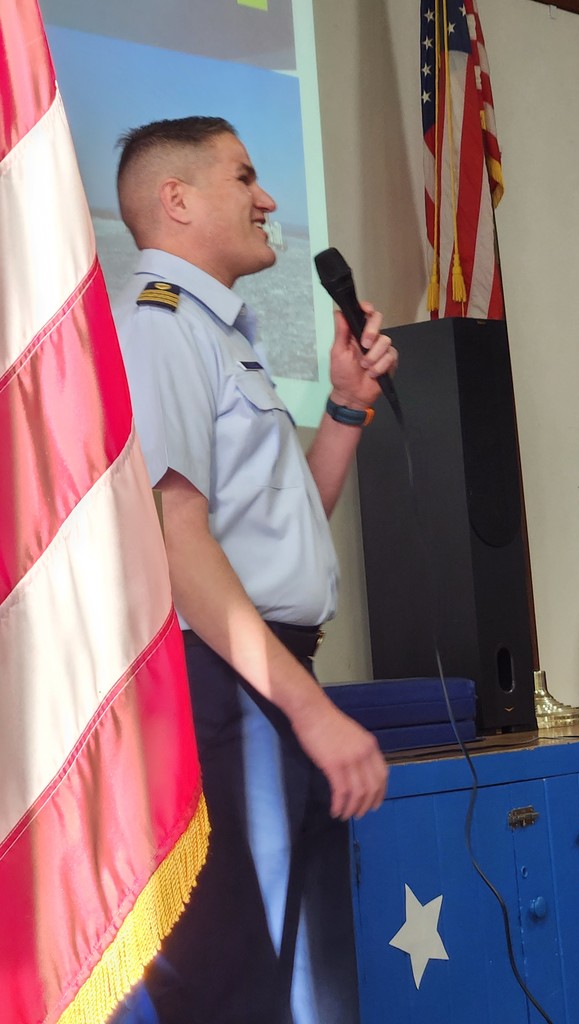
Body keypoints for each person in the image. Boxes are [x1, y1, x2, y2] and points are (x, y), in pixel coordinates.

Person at [111, 116, 396, 1024]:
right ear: (177, 200)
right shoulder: (160, 326)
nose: (268, 198)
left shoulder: (217, 330)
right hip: (226, 688)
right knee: (245, 988)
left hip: (271, 680)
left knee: (310, 993)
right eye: (244, 178)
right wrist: (314, 715)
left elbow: (282, 534)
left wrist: (345, 412)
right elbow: (179, 543)